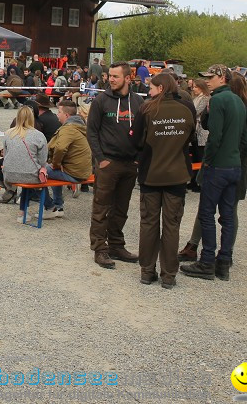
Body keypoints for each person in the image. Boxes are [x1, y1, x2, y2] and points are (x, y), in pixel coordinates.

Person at [180, 65, 244, 281]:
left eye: (211, 77)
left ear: (223, 78)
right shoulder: (238, 100)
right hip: (235, 165)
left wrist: (207, 163)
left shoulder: (218, 100)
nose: (207, 80)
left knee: (206, 213)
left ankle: (207, 261)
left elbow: (213, 136)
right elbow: (242, 137)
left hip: (218, 166)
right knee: (227, 216)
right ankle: (224, 261)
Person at [134, 74, 196, 289]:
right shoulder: (187, 108)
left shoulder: (147, 109)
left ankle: (147, 271)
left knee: (149, 223)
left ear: (160, 88)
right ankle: (169, 275)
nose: (148, 92)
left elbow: (137, 141)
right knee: (171, 226)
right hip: (177, 175)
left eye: (151, 88)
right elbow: (190, 138)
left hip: (151, 174)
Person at [87, 62, 143, 269]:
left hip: (130, 164)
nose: (110, 79)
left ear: (128, 78)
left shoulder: (138, 102)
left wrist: (138, 157)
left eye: (115, 76)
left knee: (121, 208)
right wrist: (100, 158)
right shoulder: (101, 101)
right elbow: (91, 132)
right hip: (108, 163)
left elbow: (143, 131)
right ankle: (100, 249)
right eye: (109, 76)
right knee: (101, 208)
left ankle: (116, 245)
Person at [1, 105, 53, 217]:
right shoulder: (38, 135)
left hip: (9, 175)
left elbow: (5, 155)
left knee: (26, 175)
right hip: (30, 175)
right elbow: (43, 160)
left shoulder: (8, 133)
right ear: (32, 118)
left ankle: (22, 212)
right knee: (36, 174)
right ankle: (49, 206)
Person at [45, 98, 94, 214]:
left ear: (66, 115)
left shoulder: (68, 129)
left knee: (38, 171)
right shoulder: (79, 126)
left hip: (75, 173)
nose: (57, 115)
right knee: (51, 171)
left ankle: (51, 207)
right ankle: (58, 205)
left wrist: (56, 164)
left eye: (59, 112)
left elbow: (60, 148)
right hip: (82, 170)